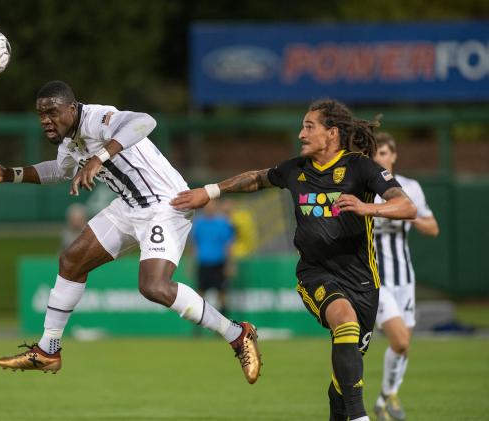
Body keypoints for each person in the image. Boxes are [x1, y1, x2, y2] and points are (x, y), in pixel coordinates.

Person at [0, 80, 261, 384]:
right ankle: (48, 350)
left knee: (154, 286)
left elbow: (146, 121)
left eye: (52, 112)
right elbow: (59, 170)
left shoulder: (96, 118)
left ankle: (238, 334)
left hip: (166, 203)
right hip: (129, 206)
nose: (46, 121)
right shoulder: (68, 141)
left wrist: (99, 157)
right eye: (41, 115)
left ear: (71, 107)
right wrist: (10, 174)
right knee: (71, 260)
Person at [171, 99, 417, 421]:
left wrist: (369, 207)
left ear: (332, 133)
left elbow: (406, 206)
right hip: (316, 275)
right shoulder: (295, 170)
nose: (301, 133)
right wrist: (211, 191)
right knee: (344, 320)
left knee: (343, 382)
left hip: (362, 282)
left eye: (309, 126)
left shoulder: (361, 168)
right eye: (302, 126)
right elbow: (257, 179)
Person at [372, 133, 439, 421]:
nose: (380, 159)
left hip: (404, 277)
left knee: (404, 346)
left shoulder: (410, 188)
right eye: (375, 154)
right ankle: (378, 399)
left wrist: (405, 213)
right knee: (399, 341)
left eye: (385, 153)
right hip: (376, 278)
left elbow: (432, 227)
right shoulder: (363, 187)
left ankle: (386, 397)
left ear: (394, 156)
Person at [190, 199, 236, 317]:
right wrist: (192, 264)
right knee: (200, 296)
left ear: (216, 207)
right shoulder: (198, 224)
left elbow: (228, 246)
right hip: (203, 263)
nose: (209, 208)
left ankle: (224, 326)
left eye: (212, 205)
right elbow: (195, 245)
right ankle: (198, 329)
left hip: (218, 264)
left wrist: (229, 265)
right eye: (207, 205)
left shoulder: (223, 223)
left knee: (222, 296)